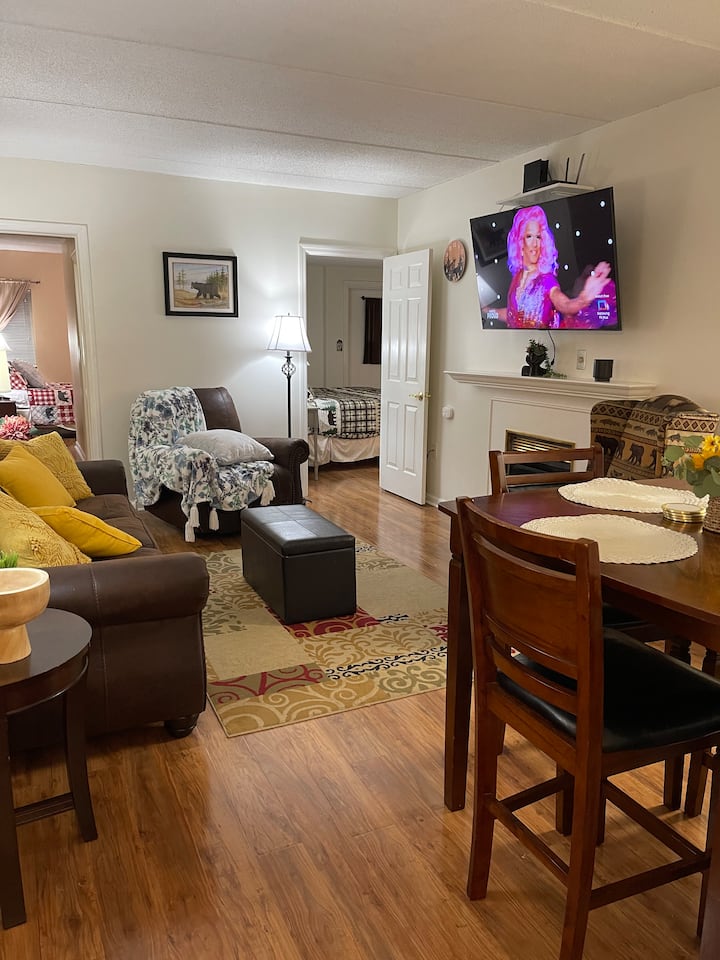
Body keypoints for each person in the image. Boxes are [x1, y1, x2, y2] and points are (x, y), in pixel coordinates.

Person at [481, 205, 612, 329]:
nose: (535, 244)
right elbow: (510, 316)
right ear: (520, 242)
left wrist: (583, 299)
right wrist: (487, 312)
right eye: (529, 236)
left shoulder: (546, 280)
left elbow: (565, 305)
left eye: (538, 237)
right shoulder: (518, 277)